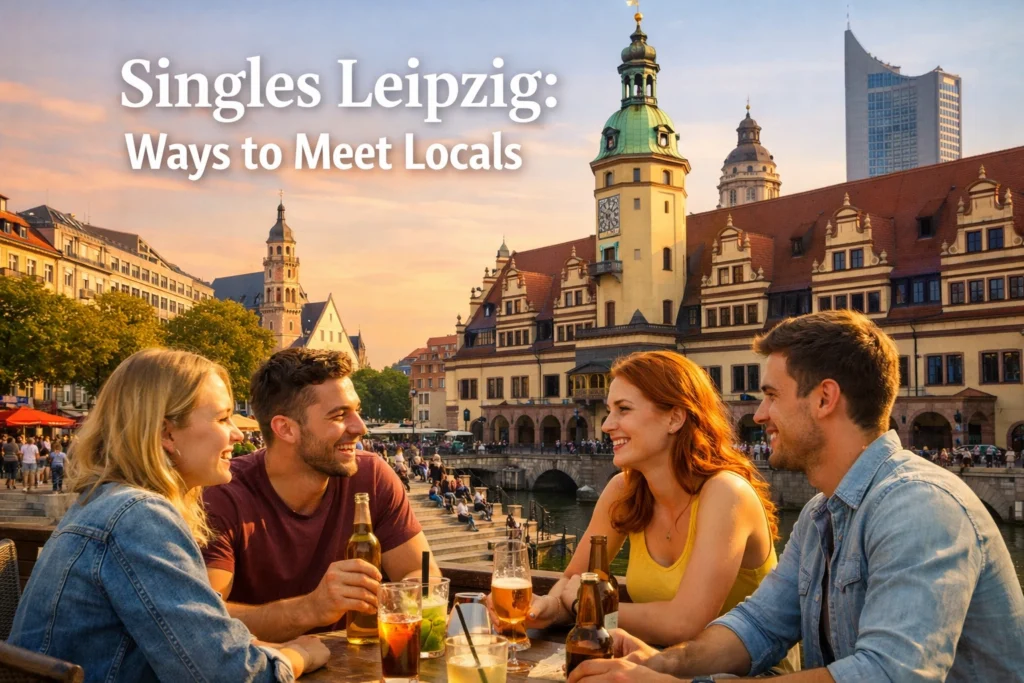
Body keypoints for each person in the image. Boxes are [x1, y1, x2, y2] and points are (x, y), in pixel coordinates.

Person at [570, 311, 1024, 683]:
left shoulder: (918, 505)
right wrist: (655, 664)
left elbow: (887, 673)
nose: (760, 413)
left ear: (825, 398)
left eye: (771, 395)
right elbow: (757, 626)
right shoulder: (819, 514)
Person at [8, 348, 328, 681]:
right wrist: (298, 655)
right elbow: (229, 676)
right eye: (222, 418)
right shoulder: (139, 517)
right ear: (166, 433)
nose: (238, 434)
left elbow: (200, 646)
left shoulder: (107, 502)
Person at [527, 351, 792, 658]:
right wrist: (548, 608)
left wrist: (586, 606)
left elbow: (686, 623)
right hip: (657, 665)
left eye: (623, 409)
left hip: (747, 675)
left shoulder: (725, 493)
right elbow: (573, 581)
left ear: (674, 417)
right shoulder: (623, 490)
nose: (607, 424)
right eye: (610, 410)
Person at [202, 348, 440, 642]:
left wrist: (396, 600)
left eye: (358, 411)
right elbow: (205, 621)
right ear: (286, 429)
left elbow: (423, 573)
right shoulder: (222, 495)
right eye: (339, 415)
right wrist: (311, 608)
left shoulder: (372, 477)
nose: (360, 427)